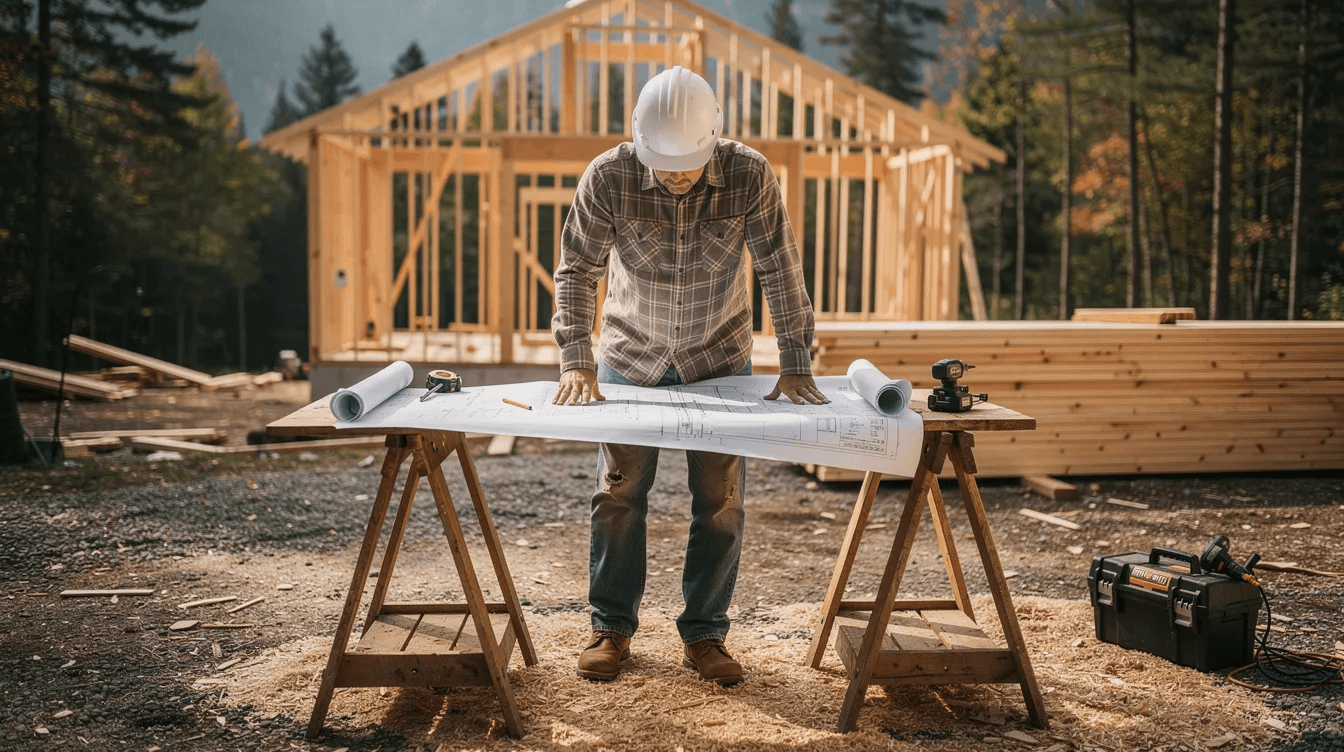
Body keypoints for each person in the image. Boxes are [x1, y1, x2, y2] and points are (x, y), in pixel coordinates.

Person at [550, 66, 828, 686]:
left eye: (689, 165)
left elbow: (780, 268)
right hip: (630, 360)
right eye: (664, 166)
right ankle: (612, 628)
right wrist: (576, 360)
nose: (676, 177)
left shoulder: (749, 174)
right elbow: (576, 273)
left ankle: (705, 635)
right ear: (639, 141)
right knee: (618, 495)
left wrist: (795, 361)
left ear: (714, 140)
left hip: (719, 360)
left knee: (721, 503)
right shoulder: (609, 176)